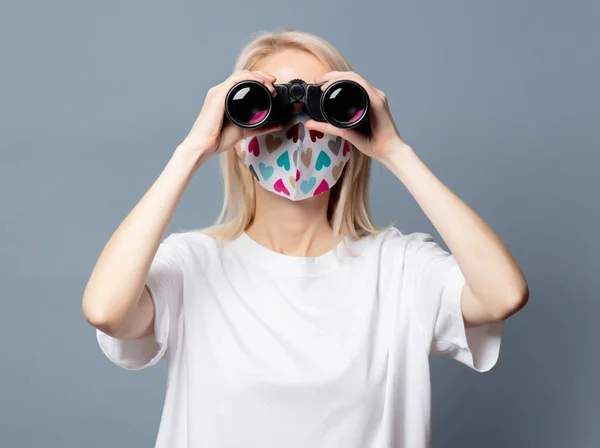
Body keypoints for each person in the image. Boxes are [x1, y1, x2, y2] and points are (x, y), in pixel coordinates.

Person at [82, 28, 529, 448]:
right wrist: (193, 148)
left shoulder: (399, 268)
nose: (297, 129)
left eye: (321, 106)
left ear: (350, 128)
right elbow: (106, 310)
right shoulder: (192, 266)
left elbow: (503, 295)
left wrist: (395, 151)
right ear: (238, 136)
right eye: (270, 106)